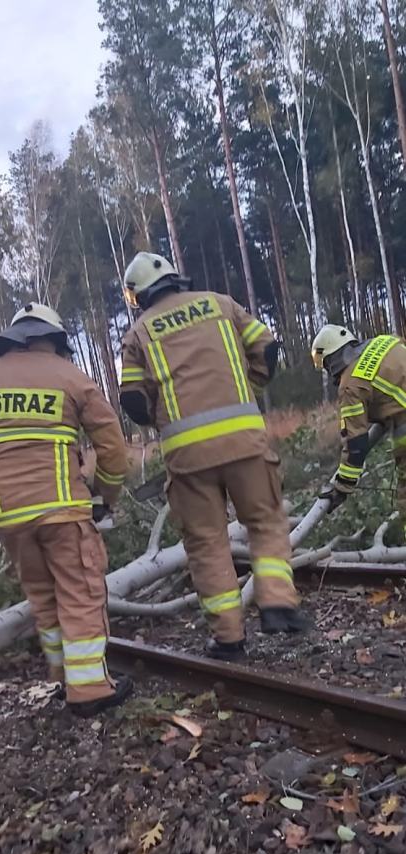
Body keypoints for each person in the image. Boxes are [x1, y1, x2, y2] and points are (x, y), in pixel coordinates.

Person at [119, 252, 304, 659]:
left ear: (138, 294)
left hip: (187, 457)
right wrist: (249, 388)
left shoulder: (138, 333)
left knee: (207, 543)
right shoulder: (222, 304)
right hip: (245, 442)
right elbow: (267, 349)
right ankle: (277, 603)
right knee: (265, 520)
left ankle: (229, 638)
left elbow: (132, 400)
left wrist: (161, 418)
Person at [0, 302, 132, 716]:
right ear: (54, 340)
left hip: (10, 517)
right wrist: (105, 494)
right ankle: (89, 689)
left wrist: (5, 481)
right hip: (64, 511)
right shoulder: (72, 377)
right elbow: (112, 447)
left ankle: (61, 675)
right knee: (80, 592)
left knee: (42, 595)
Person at [311, 324, 406, 528]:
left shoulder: (350, 384)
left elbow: (356, 444)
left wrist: (341, 488)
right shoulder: (386, 341)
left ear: (331, 360)